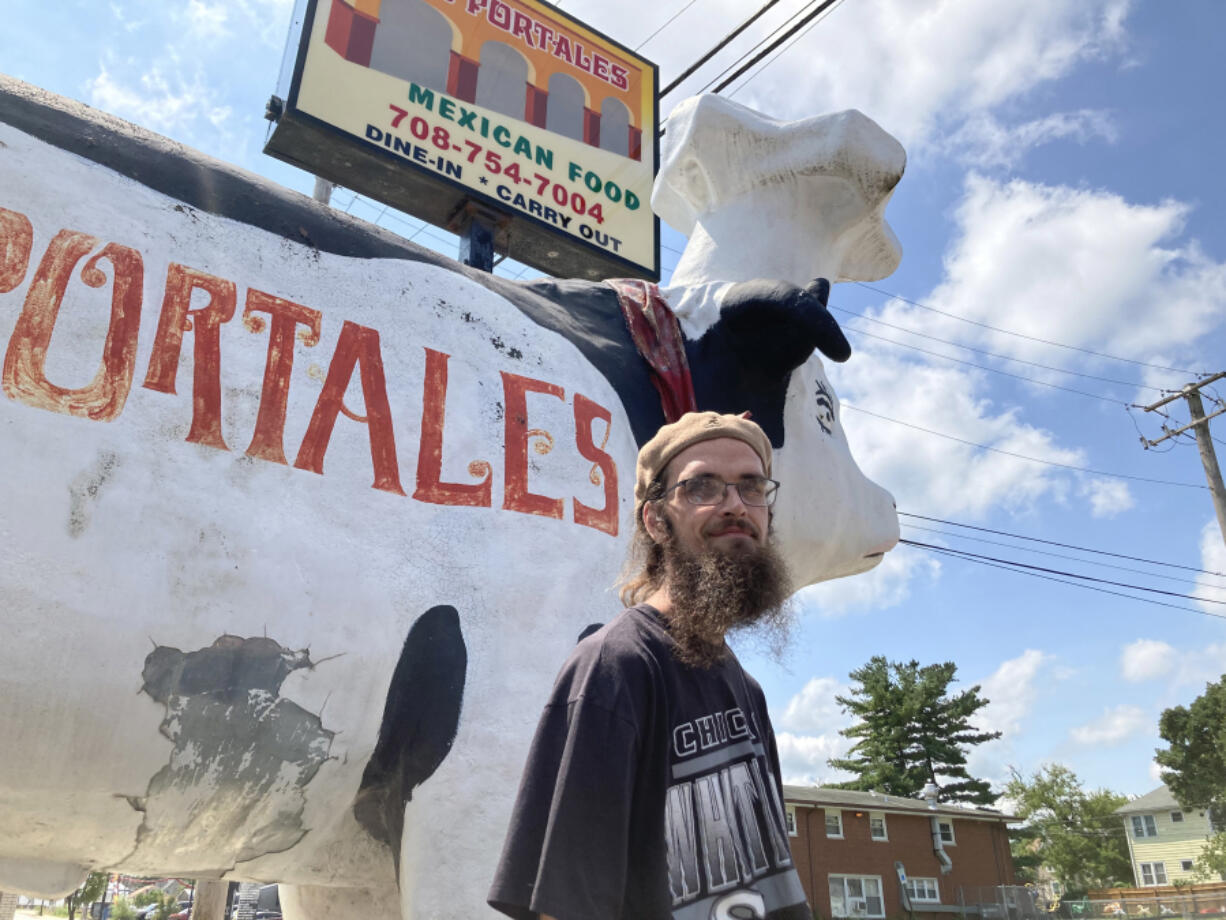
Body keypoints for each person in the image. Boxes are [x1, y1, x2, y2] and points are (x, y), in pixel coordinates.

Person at [488, 411, 811, 920]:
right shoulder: (614, 668)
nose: (735, 506)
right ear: (656, 520)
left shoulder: (747, 690)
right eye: (703, 487)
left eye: (752, 487)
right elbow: (567, 908)